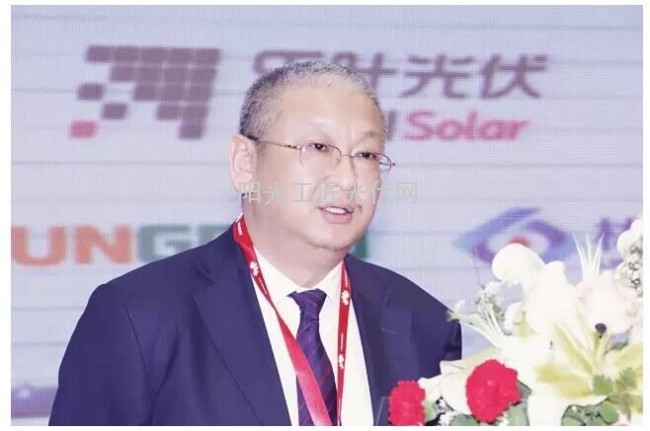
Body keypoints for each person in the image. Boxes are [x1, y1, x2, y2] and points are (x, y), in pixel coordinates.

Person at [49, 61, 461, 426]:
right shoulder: (138, 317)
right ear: (245, 163)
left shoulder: (424, 323)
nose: (348, 178)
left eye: (366, 155)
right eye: (319, 148)